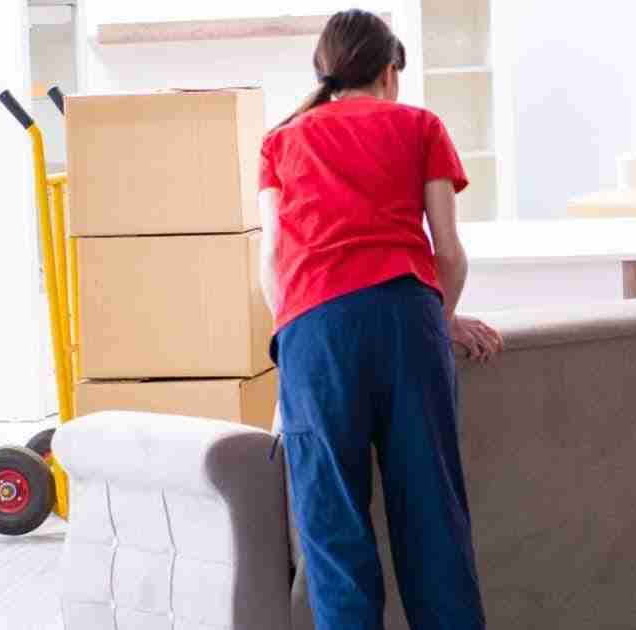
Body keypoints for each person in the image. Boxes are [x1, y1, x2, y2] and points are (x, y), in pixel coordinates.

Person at [257, 9, 502, 629]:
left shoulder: (280, 142)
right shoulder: (421, 125)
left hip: (314, 329)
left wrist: (298, 339)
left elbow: (270, 267)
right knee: (432, 519)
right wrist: (439, 319)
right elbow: (448, 251)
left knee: (334, 531)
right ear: (390, 71)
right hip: (408, 324)